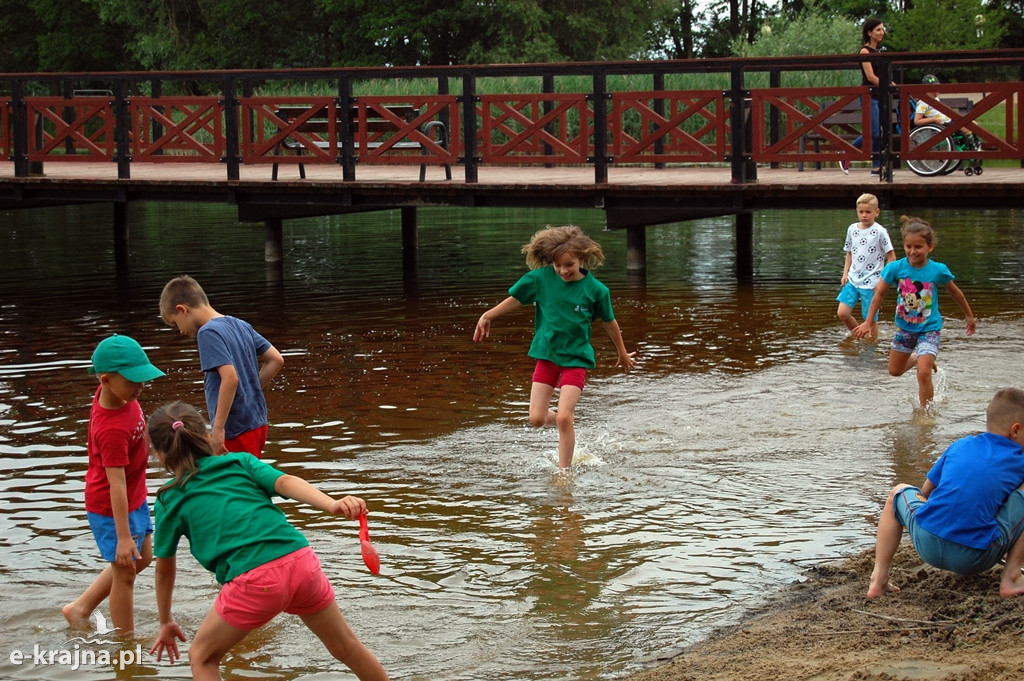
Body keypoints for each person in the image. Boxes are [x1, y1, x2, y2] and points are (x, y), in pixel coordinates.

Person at [147, 401, 390, 681]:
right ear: (205, 436)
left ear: (159, 454)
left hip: (254, 580)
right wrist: (331, 504)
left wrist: (165, 620)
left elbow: (164, 568)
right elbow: (284, 481)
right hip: (301, 562)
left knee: (202, 657)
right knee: (346, 646)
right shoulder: (240, 461)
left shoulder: (169, 498)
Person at [472, 225, 637, 469]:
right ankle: (565, 420)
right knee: (537, 419)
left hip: (576, 359)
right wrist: (489, 315)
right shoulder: (540, 279)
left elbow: (609, 322)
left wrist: (622, 352)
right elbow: (516, 299)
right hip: (546, 356)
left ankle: (564, 472)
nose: (562, 270)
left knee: (562, 417)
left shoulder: (597, 291)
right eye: (557, 265)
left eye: (569, 264)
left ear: (582, 258)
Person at [867, 388, 1024, 600]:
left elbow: (926, 491)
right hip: (975, 557)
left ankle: (878, 579)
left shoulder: (960, 445)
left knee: (898, 493)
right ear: (1015, 430)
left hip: (926, 542)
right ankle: (1012, 577)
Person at [62, 334, 166, 633]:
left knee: (143, 557)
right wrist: (122, 536)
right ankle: (125, 644)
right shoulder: (110, 429)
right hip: (111, 508)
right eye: (134, 381)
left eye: (143, 380)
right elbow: (115, 484)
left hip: (134, 497)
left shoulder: (120, 395)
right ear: (106, 381)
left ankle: (80, 608)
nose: (141, 387)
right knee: (126, 574)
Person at [853, 215, 976, 410]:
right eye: (908, 246)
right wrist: (869, 322)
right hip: (905, 328)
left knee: (923, 373)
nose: (913, 251)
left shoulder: (937, 270)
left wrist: (969, 316)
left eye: (918, 247)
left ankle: (925, 414)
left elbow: (956, 293)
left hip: (930, 328)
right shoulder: (895, 268)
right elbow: (879, 294)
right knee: (894, 371)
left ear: (930, 247)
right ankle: (920, 358)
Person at [159, 275, 284, 458]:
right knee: (247, 475)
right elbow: (276, 359)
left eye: (175, 323)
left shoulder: (207, 332)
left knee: (234, 483)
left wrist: (217, 429)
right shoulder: (240, 324)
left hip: (235, 428)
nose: (181, 331)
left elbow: (230, 378)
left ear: (182, 309)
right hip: (258, 422)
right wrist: (249, 391)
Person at [836, 193, 895, 340]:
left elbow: (892, 257)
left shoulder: (880, 232)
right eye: (861, 212)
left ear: (877, 212)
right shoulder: (852, 229)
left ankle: (871, 344)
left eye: (868, 212)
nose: (864, 215)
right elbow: (849, 253)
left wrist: (882, 281)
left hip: (872, 283)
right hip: (853, 279)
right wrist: (845, 273)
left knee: (870, 320)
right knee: (842, 313)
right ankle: (858, 336)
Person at [841, 17, 888, 175]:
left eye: (883, 29)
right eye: (878, 30)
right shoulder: (865, 51)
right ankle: (847, 153)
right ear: (869, 32)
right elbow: (870, 77)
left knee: (877, 132)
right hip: (869, 95)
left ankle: (876, 166)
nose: (882, 32)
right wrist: (886, 85)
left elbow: (881, 75)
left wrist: (891, 85)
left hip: (879, 95)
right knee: (874, 132)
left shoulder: (879, 52)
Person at [913, 74, 978, 145]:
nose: (936, 91)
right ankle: (972, 147)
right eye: (932, 89)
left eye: (937, 88)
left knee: (973, 124)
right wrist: (933, 120)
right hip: (942, 124)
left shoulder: (936, 99)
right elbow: (917, 121)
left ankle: (976, 144)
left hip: (949, 120)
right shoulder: (923, 103)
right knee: (966, 128)